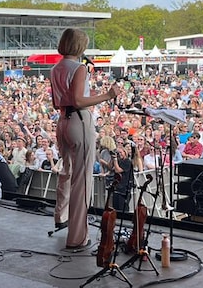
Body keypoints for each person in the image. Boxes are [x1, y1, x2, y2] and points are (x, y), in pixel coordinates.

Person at [49, 28, 123, 250]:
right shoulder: (79, 68)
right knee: (82, 181)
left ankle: (61, 217)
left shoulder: (55, 68)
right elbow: (79, 101)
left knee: (67, 171)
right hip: (79, 122)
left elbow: (56, 103)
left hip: (62, 122)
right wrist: (108, 95)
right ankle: (78, 237)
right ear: (80, 46)